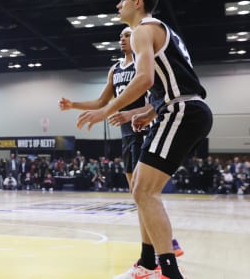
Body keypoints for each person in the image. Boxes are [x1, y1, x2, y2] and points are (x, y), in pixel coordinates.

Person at [76, 0, 213, 279]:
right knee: (140, 187)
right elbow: (171, 81)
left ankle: (167, 271)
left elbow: (145, 80)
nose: (118, 4)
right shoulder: (161, 30)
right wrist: (149, 111)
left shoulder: (142, 30)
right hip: (181, 108)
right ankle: (148, 263)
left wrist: (105, 110)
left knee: (144, 191)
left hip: (183, 111)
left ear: (138, 2)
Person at [59, 27, 184, 256]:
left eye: (127, 35)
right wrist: (73, 105)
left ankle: (166, 246)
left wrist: (131, 113)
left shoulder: (144, 63)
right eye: (121, 36)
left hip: (144, 128)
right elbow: (101, 101)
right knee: (137, 195)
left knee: (145, 192)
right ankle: (162, 245)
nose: (123, 39)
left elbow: (157, 101)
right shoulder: (115, 69)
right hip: (126, 134)